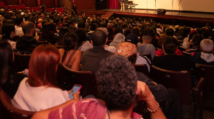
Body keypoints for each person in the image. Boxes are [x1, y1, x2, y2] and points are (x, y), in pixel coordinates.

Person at [32, 55, 166, 119]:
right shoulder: (138, 118)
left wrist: (72, 102)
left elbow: (37, 116)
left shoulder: (83, 108)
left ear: (101, 91)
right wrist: (150, 98)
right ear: (134, 95)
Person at [13, 44, 79, 111]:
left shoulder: (23, 82)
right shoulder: (54, 94)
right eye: (56, 64)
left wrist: (64, 94)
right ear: (52, 68)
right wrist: (76, 103)